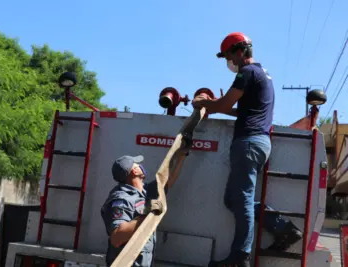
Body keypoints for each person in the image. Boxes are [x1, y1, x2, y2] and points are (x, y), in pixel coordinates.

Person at [192, 32, 303, 267]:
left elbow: (223, 105)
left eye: (228, 56)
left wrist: (202, 102)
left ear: (239, 51)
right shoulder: (262, 74)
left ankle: (239, 258)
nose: (228, 62)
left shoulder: (246, 73)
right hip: (258, 143)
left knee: (241, 200)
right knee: (233, 200)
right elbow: (239, 109)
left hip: (248, 143)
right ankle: (282, 228)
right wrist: (218, 106)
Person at [101, 149, 189, 266]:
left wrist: (182, 155)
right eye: (138, 164)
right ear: (135, 171)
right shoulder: (121, 199)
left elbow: (167, 180)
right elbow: (117, 237)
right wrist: (146, 216)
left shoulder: (145, 192)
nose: (141, 166)